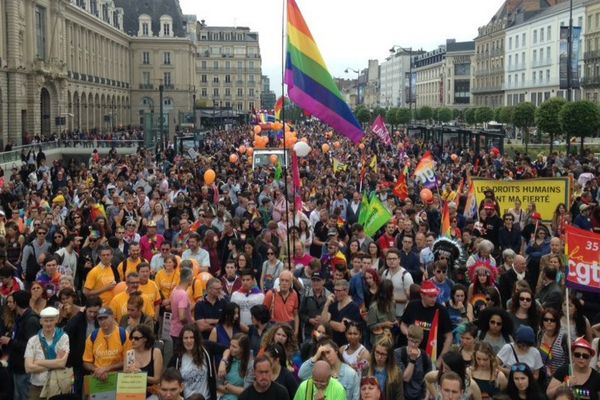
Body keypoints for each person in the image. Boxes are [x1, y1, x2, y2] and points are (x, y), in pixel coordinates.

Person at [401, 281, 453, 366]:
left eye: (435, 296)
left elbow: (449, 337)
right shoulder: (412, 305)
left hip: (432, 356)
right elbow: (403, 324)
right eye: (430, 296)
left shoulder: (441, 310)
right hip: (412, 353)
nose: (434, 299)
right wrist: (409, 333)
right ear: (422, 295)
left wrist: (440, 359)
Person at [24, 307, 69, 400]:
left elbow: (61, 363)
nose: (48, 323)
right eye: (46, 321)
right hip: (37, 386)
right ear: (41, 322)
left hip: (57, 383)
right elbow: (28, 368)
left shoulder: (63, 337)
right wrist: (54, 364)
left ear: (56, 320)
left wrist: (38, 362)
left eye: (51, 320)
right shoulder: (33, 340)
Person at [4, 290, 40, 400]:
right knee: (18, 395)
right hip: (16, 365)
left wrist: (9, 341)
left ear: (16, 303)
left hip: (24, 368)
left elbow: (31, 346)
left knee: (24, 395)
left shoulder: (31, 320)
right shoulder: (20, 317)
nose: (9, 304)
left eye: (11, 302)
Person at [168, 323, 217, 400]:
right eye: (186, 338)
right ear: (182, 340)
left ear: (196, 339)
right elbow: (168, 378)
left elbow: (227, 349)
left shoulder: (206, 349)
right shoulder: (176, 358)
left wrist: (223, 362)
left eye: (192, 337)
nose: (189, 341)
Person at [83, 307, 131, 380]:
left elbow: (129, 361)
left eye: (105, 318)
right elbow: (86, 362)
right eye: (100, 319)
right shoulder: (92, 336)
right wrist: (96, 370)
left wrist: (106, 369)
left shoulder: (123, 334)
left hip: (118, 377)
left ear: (112, 317)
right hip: (98, 378)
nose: (103, 321)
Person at [395, 324, 432, 400]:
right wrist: (412, 359)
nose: (413, 344)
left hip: (420, 396)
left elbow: (428, 380)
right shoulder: (398, 353)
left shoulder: (425, 357)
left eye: (416, 342)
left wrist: (426, 396)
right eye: (411, 341)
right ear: (407, 337)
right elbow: (405, 378)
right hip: (402, 396)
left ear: (421, 341)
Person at [321, 279, 361, 346]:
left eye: (338, 291)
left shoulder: (354, 307)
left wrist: (328, 322)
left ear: (346, 291)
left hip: (346, 345)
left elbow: (341, 328)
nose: (335, 293)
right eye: (335, 290)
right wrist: (326, 305)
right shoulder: (333, 304)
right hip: (332, 344)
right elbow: (323, 323)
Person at [124, 325, 163, 392]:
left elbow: (157, 379)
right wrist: (127, 374)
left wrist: (141, 376)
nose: (133, 340)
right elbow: (125, 378)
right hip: (134, 392)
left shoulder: (155, 352)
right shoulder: (129, 354)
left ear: (145, 339)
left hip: (151, 392)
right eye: (131, 338)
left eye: (136, 338)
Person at [216, 333, 254, 400]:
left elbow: (247, 391)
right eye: (230, 345)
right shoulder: (226, 360)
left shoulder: (250, 365)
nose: (230, 348)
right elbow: (218, 384)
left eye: (234, 347)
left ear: (243, 349)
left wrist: (228, 386)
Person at [170, 267, 194, 349]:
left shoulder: (175, 290)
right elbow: (182, 316)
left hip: (174, 330)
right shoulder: (183, 294)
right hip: (181, 332)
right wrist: (189, 323)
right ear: (190, 279)